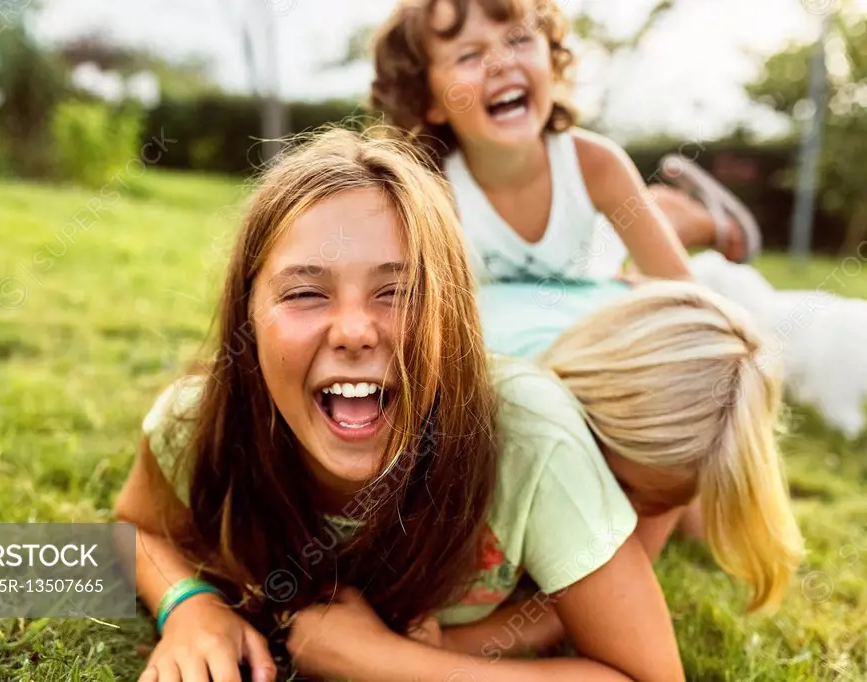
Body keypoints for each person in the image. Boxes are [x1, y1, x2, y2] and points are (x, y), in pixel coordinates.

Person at [115, 128, 686, 682]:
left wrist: (381, 663)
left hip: (612, 435)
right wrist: (188, 605)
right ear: (248, 318)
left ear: (453, 317)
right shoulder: (197, 421)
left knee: (679, 496)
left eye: (400, 292)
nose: (355, 331)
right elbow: (133, 530)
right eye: (306, 292)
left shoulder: (531, 437)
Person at [369, 0, 866, 439]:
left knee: (761, 324)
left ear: (551, 55)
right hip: (569, 302)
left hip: (606, 289)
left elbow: (684, 293)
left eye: (519, 38)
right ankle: (680, 218)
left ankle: (696, 224)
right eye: (469, 55)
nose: (501, 62)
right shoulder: (435, 190)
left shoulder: (593, 163)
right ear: (430, 100)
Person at [437, 278, 805, 654]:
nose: (626, 513)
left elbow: (577, 605)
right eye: (618, 486)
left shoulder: (674, 452)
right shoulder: (502, 414)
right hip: (536, 311)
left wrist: (447, 646)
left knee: (704, 528)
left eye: (657, 504)